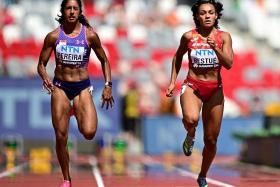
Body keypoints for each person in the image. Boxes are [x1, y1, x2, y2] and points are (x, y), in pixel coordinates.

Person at [37, 0, 114, 186]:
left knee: (88, 132)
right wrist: (45, 77)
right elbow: (41, 64)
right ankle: (66, 178)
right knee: (61, 135)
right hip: (60, 87)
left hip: (81, 87)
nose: (71, 12)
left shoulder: (90, 36)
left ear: (80, 11)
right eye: (68, 8)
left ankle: (74, 111)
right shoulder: (53, 36)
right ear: (63, 11)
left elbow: (104, 60)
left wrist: (108, 84)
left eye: (75, 8)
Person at [166, 0, 233, 186]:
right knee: (191, 118)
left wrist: (216, 48)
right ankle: (190, 134)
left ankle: (202, 175)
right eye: (203, 13)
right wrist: (172, 81)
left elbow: (229, 64)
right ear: (197, 16)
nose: (207, 16)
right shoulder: (188, 36)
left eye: (211, 12)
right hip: (193, 85)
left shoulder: (224, 37)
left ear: (217, 15)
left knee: (211, 140)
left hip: (215, 89)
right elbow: (177, 56)